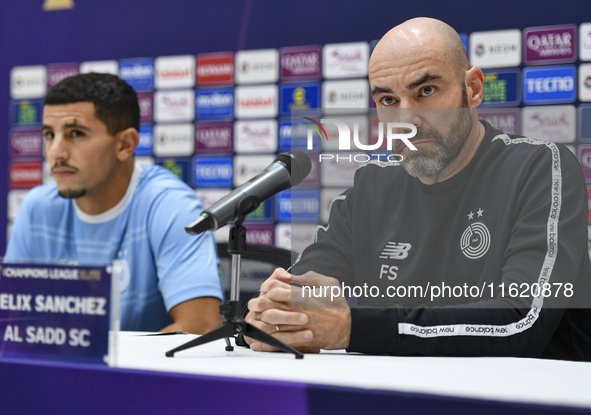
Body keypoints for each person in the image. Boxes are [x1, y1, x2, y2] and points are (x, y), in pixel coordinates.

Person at [242, 17, 591, 360]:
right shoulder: (371, 185)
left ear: (473, 89)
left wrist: (352, 327)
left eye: (426, 90)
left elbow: (522, 322)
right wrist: (277, 313)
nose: (406, 120)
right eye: (389, 100)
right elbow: (304, 292)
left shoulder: (538, 167)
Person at [4, 73, 223, 334]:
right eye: (50, 135)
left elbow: (200, 327)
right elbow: (12, 322)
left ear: (125, 144)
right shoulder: (37, 208)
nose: (56, 152)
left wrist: (105, 362)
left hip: (138, 375)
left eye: (76, 133)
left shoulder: (170, 205)